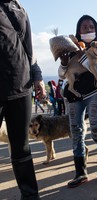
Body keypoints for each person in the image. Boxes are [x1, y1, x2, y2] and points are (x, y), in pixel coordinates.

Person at [58, 15, 97, 188]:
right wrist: (63, 63)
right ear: (78, 30)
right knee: (76, 132)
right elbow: (62, 74)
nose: (87, 29)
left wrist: (82, 56)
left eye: (91, 27)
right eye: (84, 27)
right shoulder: (70, 49)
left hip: (95, 93)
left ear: (96, 29)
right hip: (75, 96)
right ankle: (80, 172)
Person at [0, 0, 46, 199]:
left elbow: (29, 48)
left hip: (21, 84)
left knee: (22, 147)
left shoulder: (19, 7)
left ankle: (30, 196)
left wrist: (37, 76)